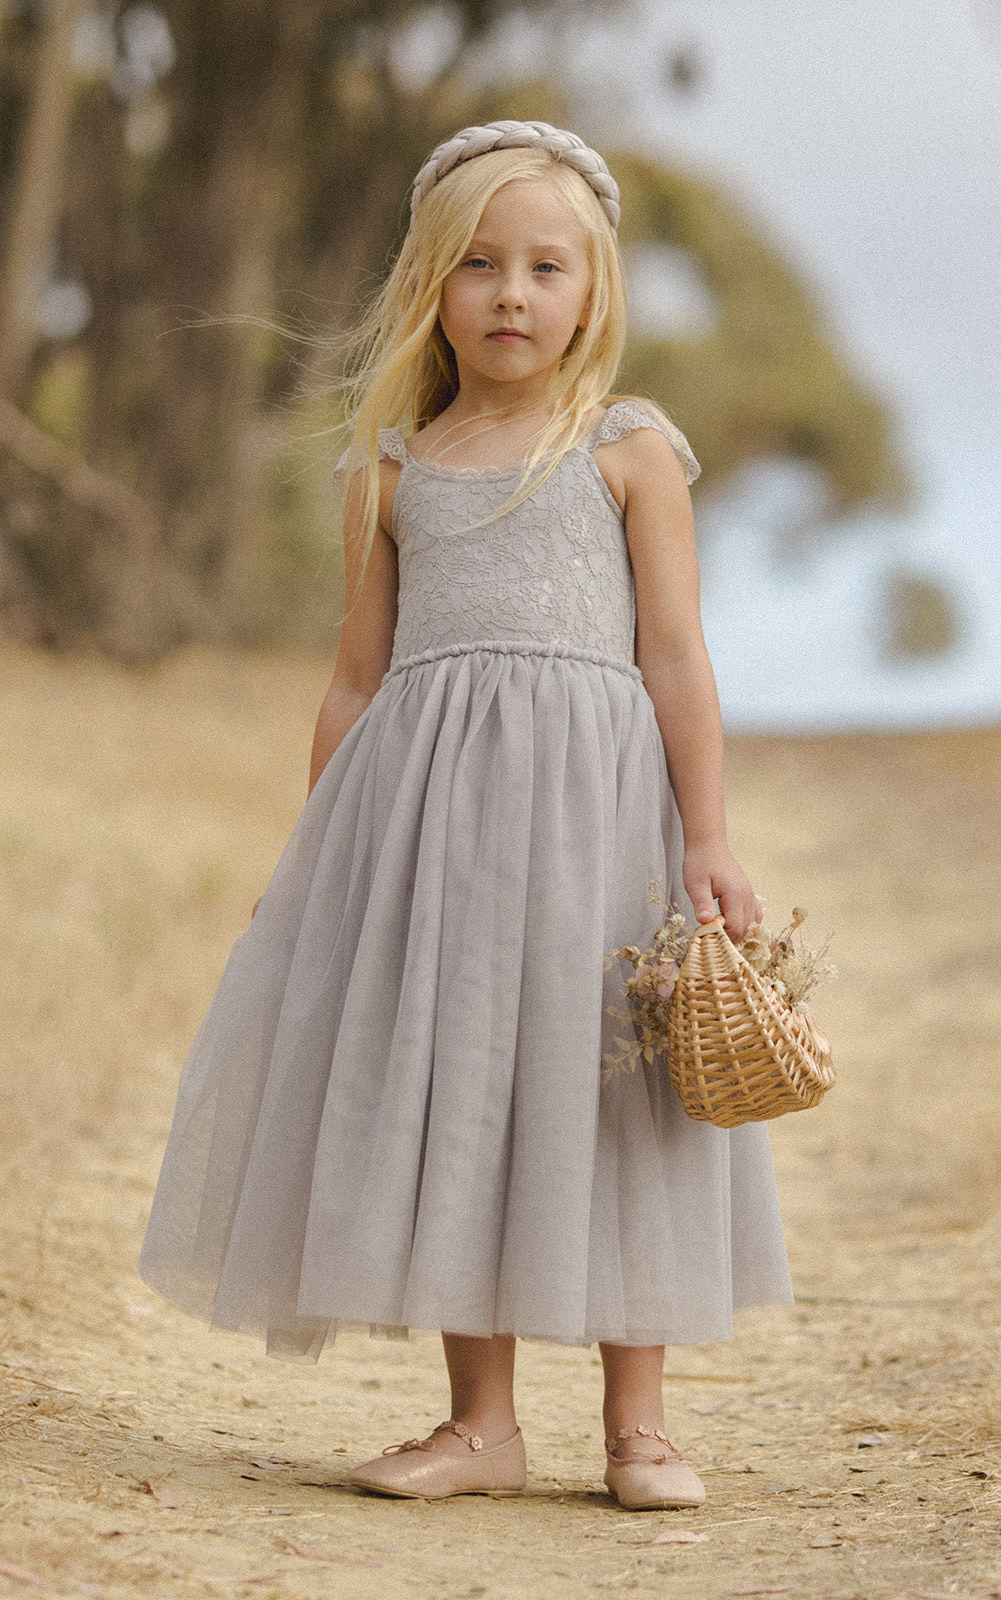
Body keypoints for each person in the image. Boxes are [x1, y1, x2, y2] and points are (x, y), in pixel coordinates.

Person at [139, 120, 793, 1511]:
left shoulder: (625, 449)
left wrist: (707, 837)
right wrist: (320, 855)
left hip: (600, 828)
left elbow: (676, 656)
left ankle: (639, 1426)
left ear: (593, 293)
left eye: (548, 268)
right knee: (459, 1086)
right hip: (435, 836)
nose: (512, 295)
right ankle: (482, 1424)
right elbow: (354, 679)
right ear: (430, 284)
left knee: (617, 1091)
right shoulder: (392, 470)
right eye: (480, 265)